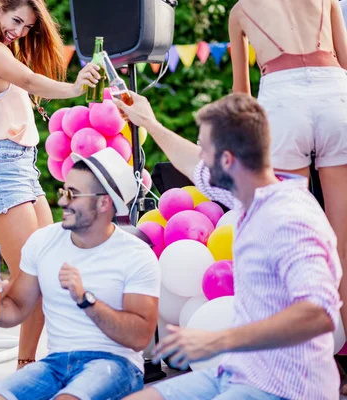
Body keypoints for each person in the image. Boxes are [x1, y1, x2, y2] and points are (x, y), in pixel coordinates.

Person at [114, 92, 342, 399]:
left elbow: (319, 315)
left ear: (227, 160)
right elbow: (192, 161)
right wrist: (149, 123)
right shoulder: (253, 195)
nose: (201, 158)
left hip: (284, 389)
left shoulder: (289, 219)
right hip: (238, 373)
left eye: (205, 149)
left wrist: (218, 341)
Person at [0, 0, 101, 379]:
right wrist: (76, 87)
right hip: (2, 170)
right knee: (26, 280)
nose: (20, 30)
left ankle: (26, 366)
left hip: (18, 169)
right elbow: (30, 82)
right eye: (17, 20)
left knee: (45, 272)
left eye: (28, 26)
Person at [0, 147, 160, 400]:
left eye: (73, 194)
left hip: (116, 364)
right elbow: (16, 309)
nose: (62, 201)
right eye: (63, 191)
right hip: (56, 363)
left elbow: (139, 337)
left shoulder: (136, 254)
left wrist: (85, 300)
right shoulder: (44, 241)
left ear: (104, 202)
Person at [228, 0, 347, 342]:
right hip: (336, 94)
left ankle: (309, 358)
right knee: (342, 244)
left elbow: (242, 94)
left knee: (292, 236)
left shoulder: (240, 11)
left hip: (282, 102)